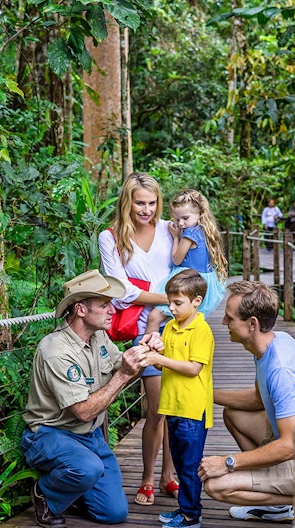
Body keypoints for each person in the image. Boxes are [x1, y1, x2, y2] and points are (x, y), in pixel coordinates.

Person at [21, 269, 164, 528]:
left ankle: (73, 489)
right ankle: (46, 494)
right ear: (81, 310)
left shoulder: (98, 335)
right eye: (104, 305)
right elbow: (84, 411)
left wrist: (146, 350)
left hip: (91, 437)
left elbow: (123, 364)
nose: (112, 311)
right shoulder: (56, 350)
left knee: (114, 513)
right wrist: (123, 375)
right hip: (51, 434)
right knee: (87, 469)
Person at [198, 280, 295, 522]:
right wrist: (205, 394)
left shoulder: (281, 367)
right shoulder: (270, 343)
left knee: (216, 485)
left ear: (252, 324)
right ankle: (278, 502)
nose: (223, 323)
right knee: (233, 414)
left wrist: (228, 463)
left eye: (229, 319)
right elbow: (258, 398)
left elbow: (289, 445)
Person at [98, 172, 179, 506]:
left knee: (179, 408)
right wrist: (172, 298)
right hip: (144, 331)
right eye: (140, 203)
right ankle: (147, 477)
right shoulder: (111, 237)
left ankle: (169, 477)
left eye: (152, 202)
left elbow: (190, 270)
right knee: (157, 409)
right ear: (127, 202)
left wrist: (172, 302)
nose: (146, 210)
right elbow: (121, 292)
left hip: (181, 326)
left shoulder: (170, 230)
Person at [144, 269, 214, 528]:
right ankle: (185, 506)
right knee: (178, 457)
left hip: (193, 409)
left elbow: (194, 368)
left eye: (177, 303)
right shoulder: (171, 327)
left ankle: (191, 516)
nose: (170, 308)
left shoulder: (202, 330)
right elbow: (168, 367)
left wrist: (159, 360)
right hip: (172, 405)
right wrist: (156, 351)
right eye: (170, 302)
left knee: (189, 465)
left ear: (196, 301)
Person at [145, 189, 227, 333]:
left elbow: (177, 259)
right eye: (177, 219)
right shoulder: (205, 230)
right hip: (203, 282)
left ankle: (146, 353)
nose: (181, 223)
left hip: (187, 282)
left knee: (154, 317)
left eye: (185, 218)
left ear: (199, 213)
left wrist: (176, 236)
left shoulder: (189, 234)